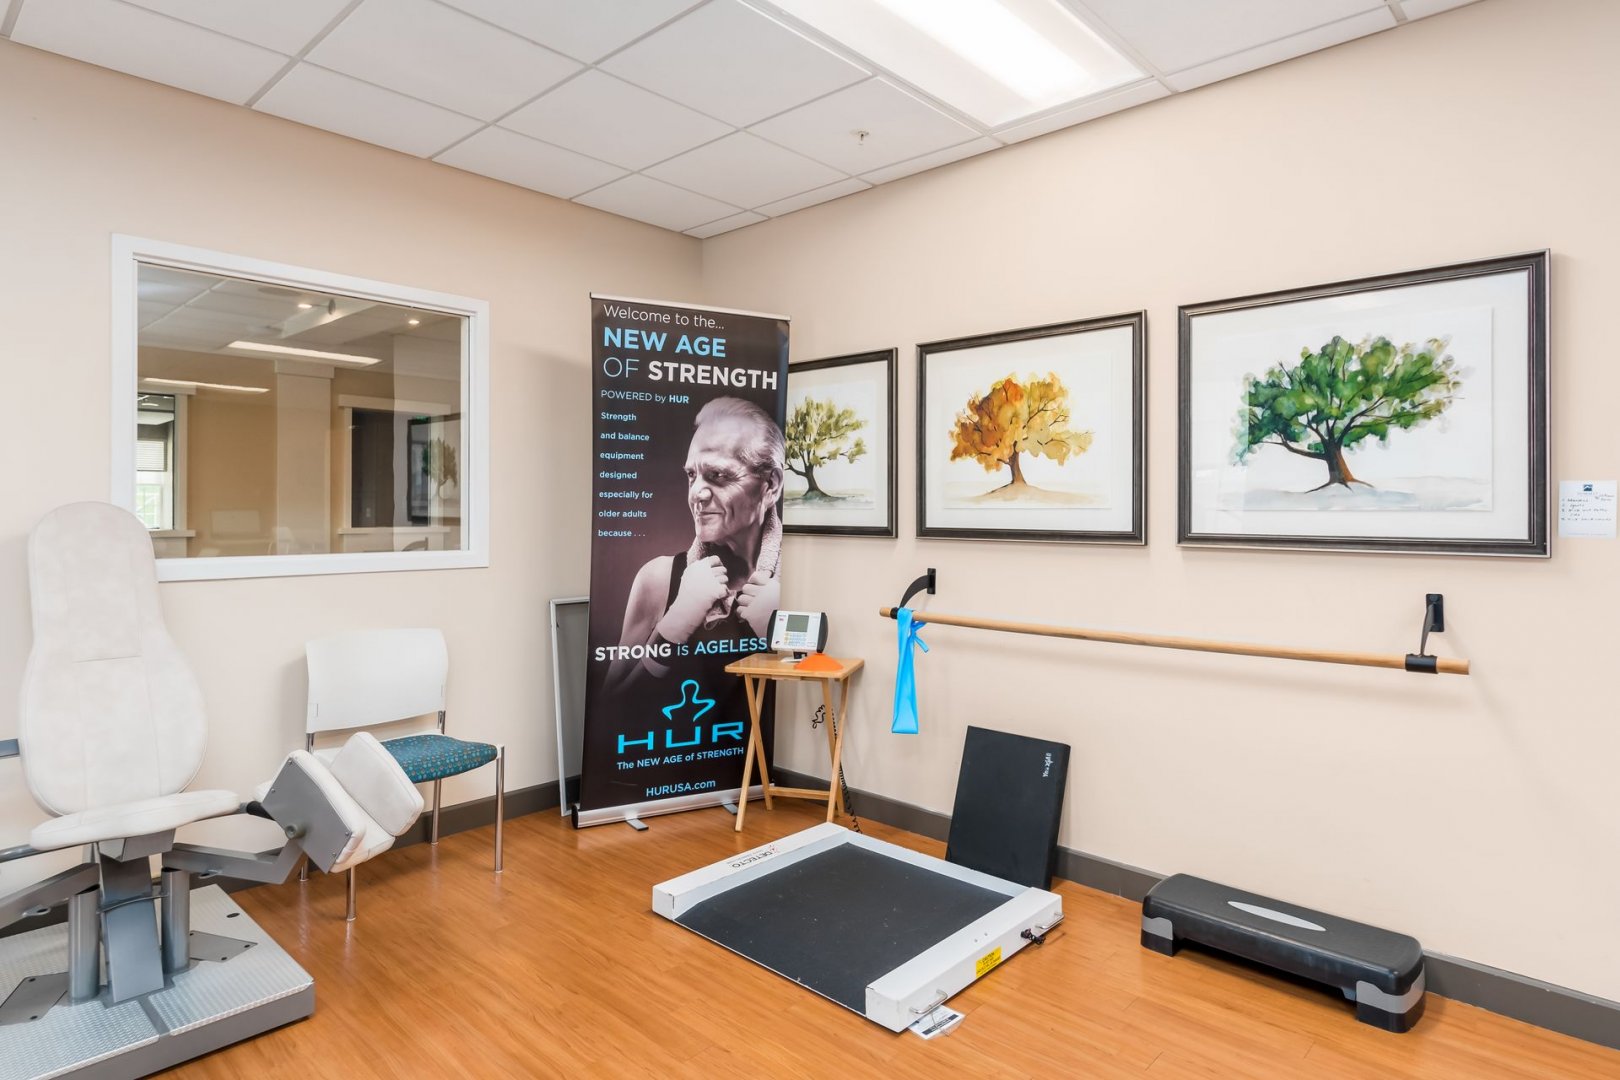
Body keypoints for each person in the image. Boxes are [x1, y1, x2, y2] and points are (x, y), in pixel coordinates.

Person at [607, 397, 783, 695]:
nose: (697, 493)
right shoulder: (659, 579)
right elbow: (610, 710)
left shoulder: (794, 578)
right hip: (668, 741)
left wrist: (778, 633)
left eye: (717, 475)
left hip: (758, 744)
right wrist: (672, 626)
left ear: (771, 485)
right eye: (692, 475)